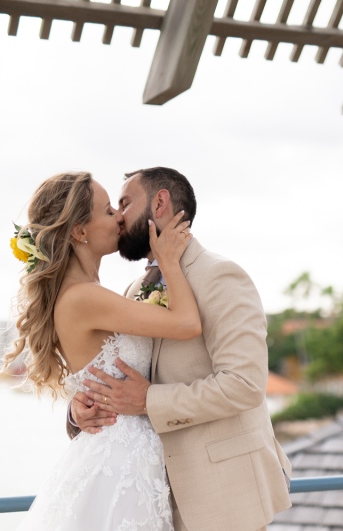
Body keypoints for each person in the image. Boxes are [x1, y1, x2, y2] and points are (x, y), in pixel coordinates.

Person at [69, 167, 292, 531]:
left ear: (159, 202)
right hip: (149, 497)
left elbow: (244, 385)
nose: (119, 217)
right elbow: (122, 377)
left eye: (124, 203)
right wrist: (84, 409)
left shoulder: (220, 276)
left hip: (222, 493)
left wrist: (148, 401)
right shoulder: (132, 290)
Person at [1, 171, 201, 531]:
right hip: (120, 463)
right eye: (108, 210)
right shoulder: (84, 298)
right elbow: (187, 324)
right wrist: (168, 261)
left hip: (127, 458)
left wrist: (78, 409)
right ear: (79, 231)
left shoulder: (91, 293)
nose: (120, 216)